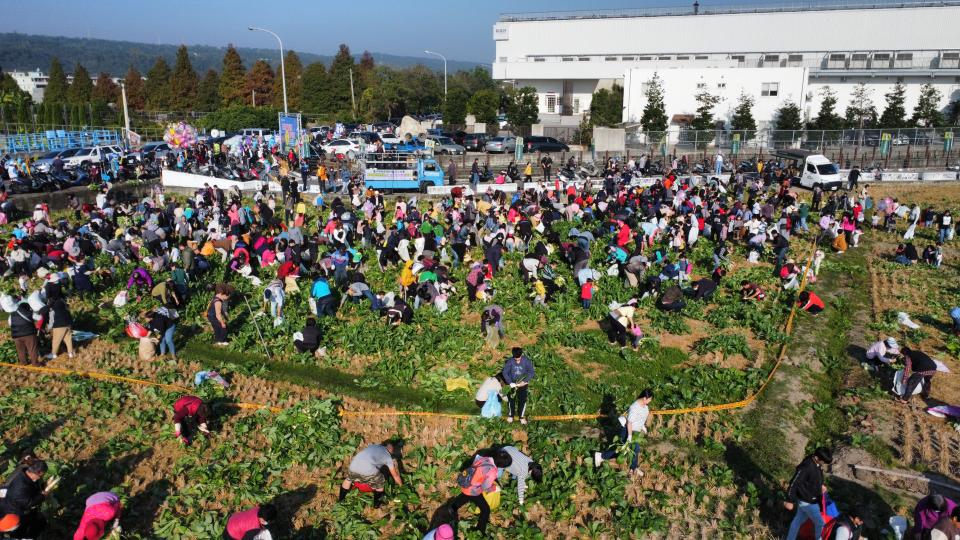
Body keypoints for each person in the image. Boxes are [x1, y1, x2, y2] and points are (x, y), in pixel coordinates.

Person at [449, 450, 512, 535]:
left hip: (466, 482)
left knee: (465, 497)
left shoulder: (486, 458)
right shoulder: (492, 471)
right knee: (485, 510)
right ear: (501, 466)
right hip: (473, 490)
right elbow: (485, 487)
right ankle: (480, 530)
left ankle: (452, 507)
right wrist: (494, 488)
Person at [594, 389, 652, 477]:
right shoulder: (634, 407)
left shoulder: (645, 406)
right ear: (645, 398)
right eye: (649, 399)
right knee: (622, 450)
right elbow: (629, 422)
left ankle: (633, 468)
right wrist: (629, 436)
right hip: (627, 430)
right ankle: (601, 456)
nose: (650, 401)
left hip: (636, 431)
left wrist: (642, 426)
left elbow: (641, 417)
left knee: (634, 449)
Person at [784, 447, 832, 540]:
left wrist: (820, 486)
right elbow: (795, 482)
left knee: (798, 521)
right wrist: (789, 500)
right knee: (820, 524)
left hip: (810, 498)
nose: (824, 464)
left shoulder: (816, 463)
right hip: (807, 500)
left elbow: (814, 478)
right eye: (823, 462)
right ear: (817, 458)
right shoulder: (806, 466)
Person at [339, 441, 403, 507]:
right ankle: (377, 504)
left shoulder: (374, 446)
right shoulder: (388, 457)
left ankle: (341, 499)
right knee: (380, 483)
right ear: (391, 451)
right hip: (368, 470)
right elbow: (395, 475)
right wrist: (401, 486)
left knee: (348, 480)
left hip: (353, 465)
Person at [0, 459, 53, 538]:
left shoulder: (25, 473)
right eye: (42, 475)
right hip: (12, 512)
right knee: (20, 528)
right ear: (39, 473)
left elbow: (30, 490)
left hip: (15, 507)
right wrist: (42, 496)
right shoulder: (19, 488)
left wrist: (42, 487)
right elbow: (29, 503)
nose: (41, 477)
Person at [502, 347, 535, 424]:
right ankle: (511, 415)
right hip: (512, 384)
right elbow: (505, 372)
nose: (517, 360)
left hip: (522, 384)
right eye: (515, 359)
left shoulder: (526, 361)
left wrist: (525, 381)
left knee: (522, 400)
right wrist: (510, 382)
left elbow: (531, 372)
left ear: (521, 355)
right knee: (511, 400)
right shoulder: (510, 361)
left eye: (518, 359)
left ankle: (521, 417)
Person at [10, 298, 40, 366]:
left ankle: (23, 363)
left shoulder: (12, 314)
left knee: (20, 350)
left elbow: (10, 323)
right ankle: (35, 363)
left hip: (17, 336)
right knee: (32, 349)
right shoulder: (30, 313)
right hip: (29, 334)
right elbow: (40, 318)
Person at [45, 295, 74, 360]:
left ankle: (54, 354)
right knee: (68, 339)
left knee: (56, 341)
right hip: (68, 325)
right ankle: (70, 353)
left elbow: (51, 321)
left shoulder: (53, 310)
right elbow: (70, 318)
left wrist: (48, 329)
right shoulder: (65, 309)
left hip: (59, 326)